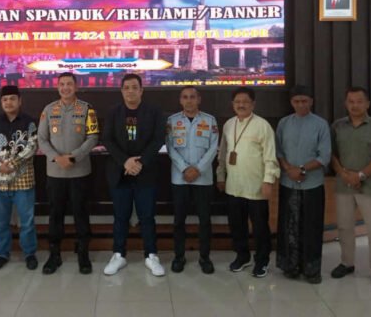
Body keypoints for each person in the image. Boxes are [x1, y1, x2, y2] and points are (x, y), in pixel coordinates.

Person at [102, 74, 166, 277]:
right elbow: (107, 139)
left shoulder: (154, 111)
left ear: (141, 90)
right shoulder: (113, 112)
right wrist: (126, 161)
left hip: (146, 172)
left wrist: (140, 162)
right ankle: (119, 254)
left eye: (134, 87)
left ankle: (151, 255)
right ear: (121, 91)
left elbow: (158, 139)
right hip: (119, 172)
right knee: (120, 216)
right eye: (126, 87)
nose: (130, 91)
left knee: (147, 216)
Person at [330, 87, 371, 287]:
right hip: (344, 185)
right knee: (344, 227)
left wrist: (360, 175)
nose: (355, 105)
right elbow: (331, 154)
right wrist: (343, 174)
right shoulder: (337, 126)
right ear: (345, 104)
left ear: (367, 104)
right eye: (351, 101)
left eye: (359, 101)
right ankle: (347, 263)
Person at [38, 73, 99, 274]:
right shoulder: (48, 109)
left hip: (80, 172)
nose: (65, 88)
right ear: (58, 87)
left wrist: (73, 157)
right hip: (55, 173)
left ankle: (83, 253)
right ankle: (54, 254)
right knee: (55, 214)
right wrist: (57, 158)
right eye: (62, 84)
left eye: (69, 84)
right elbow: (42, 139)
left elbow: (93, 137)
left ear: (76, 86)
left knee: (81, 214)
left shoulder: (87, 109)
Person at [217, 86, 279, 278]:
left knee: (260, 227)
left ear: (253, 104)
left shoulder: (262, 125)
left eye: (245, 102)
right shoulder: (229, 125)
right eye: (237, 102)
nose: (241, 105)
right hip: (234, 185)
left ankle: (262, 261)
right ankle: (242, 256)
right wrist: (220, 176)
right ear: (232, 104)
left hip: (256, 186)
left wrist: (268, 180)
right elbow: (222, 154)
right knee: (237, 225)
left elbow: (270, 156)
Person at [275, 85, 331, 284]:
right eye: (297, 101)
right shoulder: (283, 123)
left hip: (312, 185)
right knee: (289, 226)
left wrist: (302, 170)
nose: (300, 105)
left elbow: (324, 156)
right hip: (288, 183)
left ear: (311, 102)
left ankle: (311, 270)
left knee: (311, 227)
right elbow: (278, 151)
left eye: (304, 101)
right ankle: (290, 266)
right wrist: (289, 169)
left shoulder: (321, 125)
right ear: (291, 102)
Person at [0, 85, 39, 272]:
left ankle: (29, 254)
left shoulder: (30, 122)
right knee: (0, 223)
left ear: (20, 101)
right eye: (5, 99)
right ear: (1, 102)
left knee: (27, 222)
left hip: (23, 180)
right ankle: (2, 254)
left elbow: (32, 146)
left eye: (12, 99)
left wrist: (12, 164)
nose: (9, 102)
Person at [166, 86, 219, 274]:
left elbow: (213, 148)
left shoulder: (210, 120)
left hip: (203, 179)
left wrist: (197, 169)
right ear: (180, 100)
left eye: (192, 97)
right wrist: (184, 168)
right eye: (185, 97)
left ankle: (205, 257)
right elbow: (170, 148)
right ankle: (179, 257)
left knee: (204, 221)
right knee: (179, 221)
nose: (189, 100)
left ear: (199, 99)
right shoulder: (172, 121)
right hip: (180, 178)